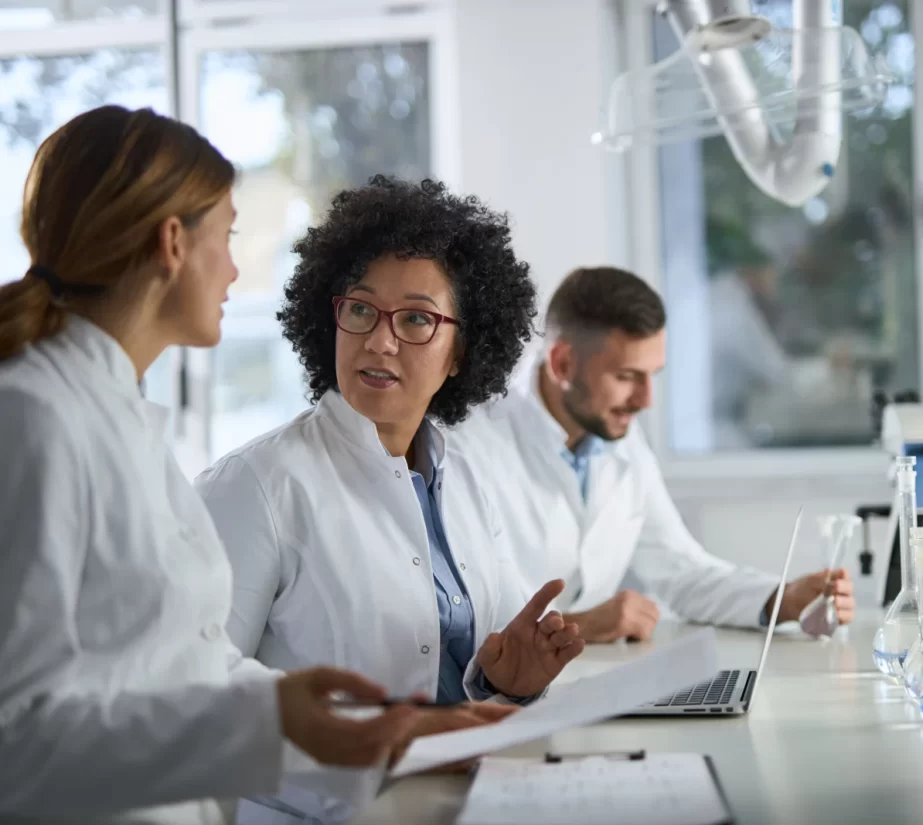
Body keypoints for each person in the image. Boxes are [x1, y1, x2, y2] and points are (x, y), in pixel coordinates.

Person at [0, 106, 454, 825]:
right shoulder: (34, 418)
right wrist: (271, 724)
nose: (238, 268)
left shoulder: (117, 413)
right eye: (229, 234)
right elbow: (14, 741)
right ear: (172, 243)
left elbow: (179, 660)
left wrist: (357, 727)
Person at [194, 177, 584, 822]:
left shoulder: (466, 477)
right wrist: (375, 743)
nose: (379, 340)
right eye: (361, 310)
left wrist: (506, 684)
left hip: (459, 802)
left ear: (462, 352)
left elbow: (479, 673)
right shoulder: (256, 485)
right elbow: (199, 693)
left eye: (416, 320)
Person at [451, 266, 856, 643]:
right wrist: (579, 626)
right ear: (562, 363)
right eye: (626, 377)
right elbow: (453, 622)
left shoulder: (615, 434)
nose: (645, 400)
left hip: (584, 684)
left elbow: (680, 570)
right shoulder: (471, 444)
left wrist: (782, 599)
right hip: (497, 704)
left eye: (652, 376)